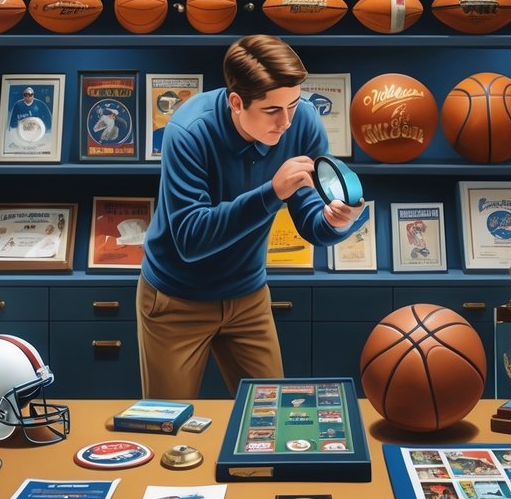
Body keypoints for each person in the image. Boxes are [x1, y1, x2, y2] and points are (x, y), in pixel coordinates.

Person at [137, 35, 367, 397]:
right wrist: (272, 192)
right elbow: (191, 239)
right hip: (176, 299)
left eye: (293, 104)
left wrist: (335, 223)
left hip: (248, 296)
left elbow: (309, 215)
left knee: (270, 418)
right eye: (272, 110)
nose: (286, 122)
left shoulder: (302, 121)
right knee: (169, 422)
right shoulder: (188, 131)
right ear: (236, 102)